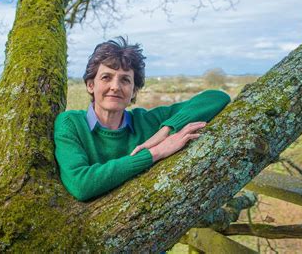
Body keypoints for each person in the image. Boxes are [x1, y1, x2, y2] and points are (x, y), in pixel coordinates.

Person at [54, 37, 231, 201]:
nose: (115, 87)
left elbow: (217, 97)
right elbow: (81, 185)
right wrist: (156, 152)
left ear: (134, 91)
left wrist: (165, 131)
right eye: (106, 77)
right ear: (91, 85)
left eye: (125, 80)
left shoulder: (147, 121)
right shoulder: (71, 124)